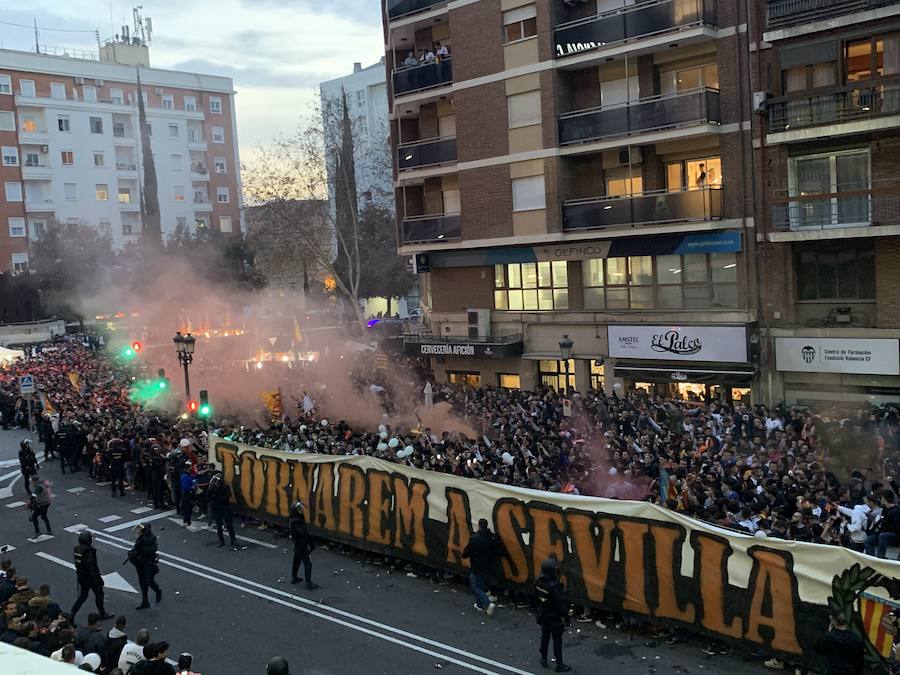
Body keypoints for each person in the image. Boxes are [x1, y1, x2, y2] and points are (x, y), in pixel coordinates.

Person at [534, 557, 572, 672]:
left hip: (543, 615)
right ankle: (559, 664)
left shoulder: (538, 582)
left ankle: (544, 658)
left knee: (545, 637)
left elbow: (535, 598)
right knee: (557, 640)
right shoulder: (554, 587)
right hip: (554, 617)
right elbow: (561, 604)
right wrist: (566, 617)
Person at [71, 531, 113, 621]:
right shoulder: (89, 551)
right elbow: (92, 566)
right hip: (92, 578)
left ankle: (72, 615)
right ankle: (102, 613)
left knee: (82, 597)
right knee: (99, 594)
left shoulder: (77, 549)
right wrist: (98, 579)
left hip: (82, 577)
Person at [462, 518, 500, 615]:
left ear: (479, 525)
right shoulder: (492, 538)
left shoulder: (475, 538)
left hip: (476, 565)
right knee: (480, 586)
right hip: (488, 566)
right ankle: (479, 605)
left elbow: (467, 551)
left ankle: (487, 602)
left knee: (475, 586)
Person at [128, 524, 162, 610]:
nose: (139, 532)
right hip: (140, 564)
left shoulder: (151, 538)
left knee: (149, 581)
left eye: (141, 530)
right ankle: (145, 601)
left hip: (148, 564)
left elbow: (152, 550)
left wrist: (142, 547)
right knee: (142, 583)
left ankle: (158, 591)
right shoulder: (141, 538)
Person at [289, 501, 318, 590]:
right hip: (302, 544)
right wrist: (311, 544)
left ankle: (294, 577)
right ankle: (308, 583)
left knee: (296, 560)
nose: (302, 511)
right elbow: (304, 533)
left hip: (297, 543)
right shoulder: (297, 521)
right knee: (307, 563)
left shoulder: (293, 519)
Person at [206, 472, 236, 548]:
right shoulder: (212, 488)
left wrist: (215, 497)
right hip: (219, 508)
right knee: (220, 526)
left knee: (228, 525)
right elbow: (208, 498)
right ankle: (223, 541)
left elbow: (228, 495)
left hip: (223, 507)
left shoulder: (224, 487)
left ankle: (232, 540)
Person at [874, 490, 900, 559]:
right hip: (884, 532)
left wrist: (884, 522)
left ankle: (880, 557)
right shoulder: (884, 509)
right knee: (869, 539)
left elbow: (897, 529)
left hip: (895, 535)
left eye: (881, 498)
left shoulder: (896, 511)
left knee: (883, 536)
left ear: (884, 498)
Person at [179, 463, 196, 527]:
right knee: (187, 508)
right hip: (187, 494)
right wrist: (192, 487)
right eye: (190, 466)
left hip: (189, 493)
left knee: (189, 507)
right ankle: (185, 521)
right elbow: (185, 487)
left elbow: (193, 477)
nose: (191, 467)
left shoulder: (187, 475)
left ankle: (188, 521)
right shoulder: (184, 476)